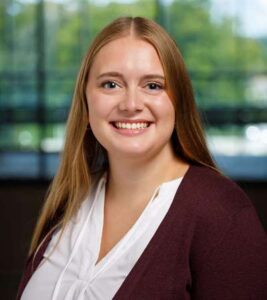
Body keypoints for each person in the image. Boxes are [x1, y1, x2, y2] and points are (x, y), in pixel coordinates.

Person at [17, 16, 267, 300]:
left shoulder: (222, 215)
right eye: (111, 84)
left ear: (179, 101)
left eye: (153, 86)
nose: (131, 105)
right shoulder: (70, 201)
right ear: (85, 102)